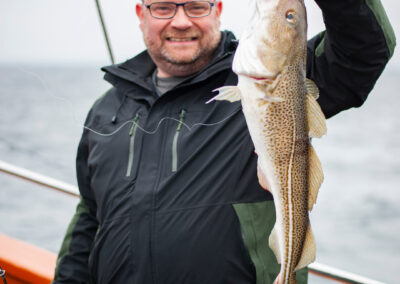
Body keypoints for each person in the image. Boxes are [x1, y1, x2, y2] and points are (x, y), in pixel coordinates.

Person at [52, 0, 395, 283]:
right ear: (142, 15)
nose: (181, 21)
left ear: (218, 10)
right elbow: (91, 214)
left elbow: (364, 49)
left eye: (196, 7)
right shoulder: (107, 108)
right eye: (163, 8)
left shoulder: (273, 81)